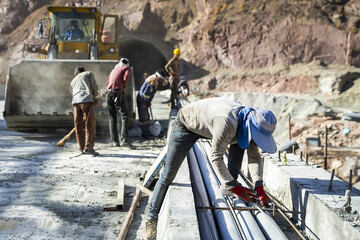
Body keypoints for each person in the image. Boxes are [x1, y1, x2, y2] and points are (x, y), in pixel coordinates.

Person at [144, 97, 277, 239]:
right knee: (168, 174)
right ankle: (151, 217)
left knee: (240, 145)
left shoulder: (248, 123)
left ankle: (227, 188)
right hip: (187, 124)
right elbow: (215, 157)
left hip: (213, 124)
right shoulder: (227, 122)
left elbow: (255, 157)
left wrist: (259, 186)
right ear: (251, 126)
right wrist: (235, 186)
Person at [70, 66, 99, 156]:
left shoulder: (73, 81)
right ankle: (89, 148)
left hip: (75, 103)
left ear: (75, 73)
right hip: (86, 101)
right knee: (89, 125)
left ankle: (81, 148)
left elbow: (72, 93)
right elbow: (94, 87)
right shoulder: (88, 73)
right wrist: (95, 97)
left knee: (78, 126)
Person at [105, 58, 132, 147]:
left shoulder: (114, 69)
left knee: (112, 118)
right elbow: (126, 77)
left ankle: (115, 141)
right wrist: (123, 85)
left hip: (109, 93)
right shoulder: (126, 68)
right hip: (117, 92)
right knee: (124, 115)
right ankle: (124, 139)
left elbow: (108, 82)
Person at [137, 69, 166, 139]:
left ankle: (145, 133)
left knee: (146, 117)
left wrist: (148, 101)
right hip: (142, 100)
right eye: (160, 79)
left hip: (144, 100)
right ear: (157, 76)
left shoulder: (154, 79)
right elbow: (146, 94)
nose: (161, 80)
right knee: (144, 118)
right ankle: (146, 134)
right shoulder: (152, 81)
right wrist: (148, 102)